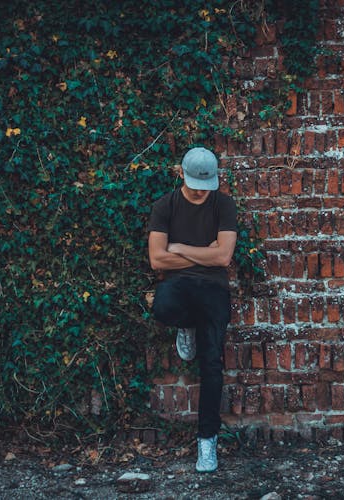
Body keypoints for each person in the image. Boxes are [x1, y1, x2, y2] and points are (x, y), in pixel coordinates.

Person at [147, 146, 237, 473]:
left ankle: (207, 442)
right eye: (196, 183)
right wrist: (205, 251)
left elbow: (224, 257)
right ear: (180, 173)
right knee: (162, 307)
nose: (201, 192)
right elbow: (157, 259)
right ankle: (187, 325)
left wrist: (181, 247)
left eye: (207, 185)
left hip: (214, 287)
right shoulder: (165, 206)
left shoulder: (223, 204)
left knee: (211, 363)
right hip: (179, 286)